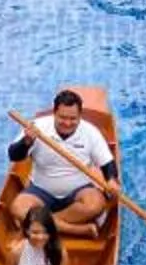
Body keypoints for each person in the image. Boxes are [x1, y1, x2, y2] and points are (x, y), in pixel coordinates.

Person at [8, 87, 118, 237]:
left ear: (80, 116)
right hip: (40, 191)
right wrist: (26, 142)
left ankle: (37, 223)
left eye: (73, 119)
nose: (67, 123)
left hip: (78, 193)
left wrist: (111, 180)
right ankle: (77, 229)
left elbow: (107, 164)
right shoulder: (37, 126)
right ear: (54, 113)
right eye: (62, 118)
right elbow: (14, 155)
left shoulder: (90, 132)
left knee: (95, 204)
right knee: (18, 208)